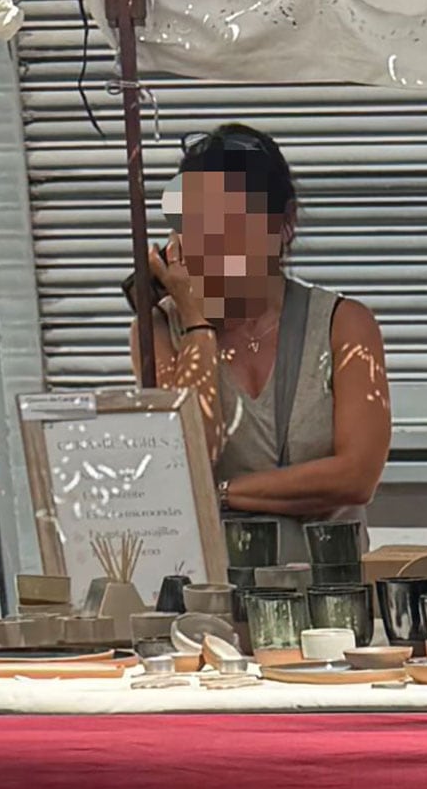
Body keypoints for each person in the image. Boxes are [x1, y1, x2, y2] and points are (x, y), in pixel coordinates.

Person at [129, 123, 391, 564]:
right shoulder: (160, 331)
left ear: (283, 223)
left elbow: (355, 476)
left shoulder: (344, 325)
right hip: (211, 588)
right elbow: (188, 459)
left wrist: (222, 493)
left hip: (330, 589)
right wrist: (197, 325)